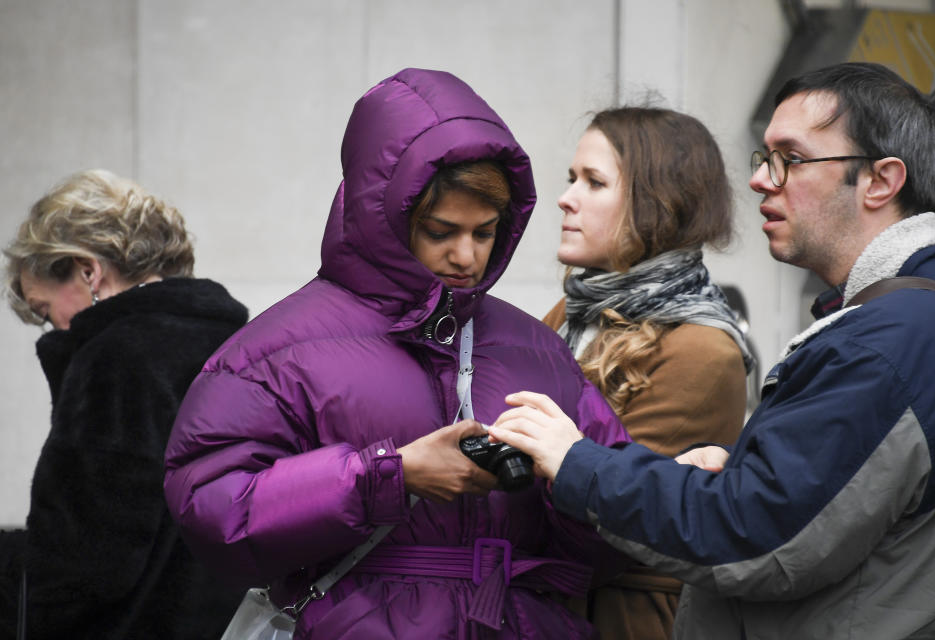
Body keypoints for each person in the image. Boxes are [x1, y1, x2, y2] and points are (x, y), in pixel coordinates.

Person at [490, 62, 935, 639]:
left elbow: (757, 533)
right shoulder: (903, 322)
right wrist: (736, 472)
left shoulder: (889, 341)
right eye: (764, 159)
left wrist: (576, 461)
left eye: (791, 158)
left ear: (881, 181)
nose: (762, 180)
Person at [163, 68, 630, 639]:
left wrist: (577, 479)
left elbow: (613, 548)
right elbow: (212, 512)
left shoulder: (536, 349)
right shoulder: (274, 353)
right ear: (384, 218)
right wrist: (390, 476)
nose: (467, 256)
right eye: (442, 230)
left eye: (485, 232)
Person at [0, 169, 249, 638]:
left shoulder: (114, 358)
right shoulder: (237, 345)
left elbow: (86, 560)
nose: (53, 330)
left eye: (43, 311)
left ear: (88, 271)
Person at [543, 106, 752, 639]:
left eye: (594, 182)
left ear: (655, 205)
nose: (567, 198)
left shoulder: (704, 350)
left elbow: (608, 512)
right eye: (572, 179)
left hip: (619, 618)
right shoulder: (572, 312)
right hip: (550, 602)